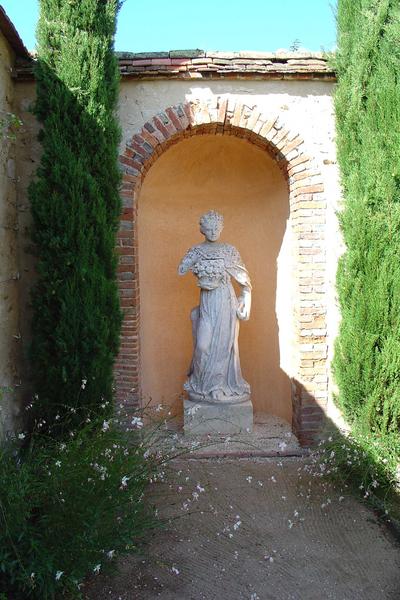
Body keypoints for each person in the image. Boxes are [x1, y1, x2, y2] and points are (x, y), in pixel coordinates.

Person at [178, 210, 251, 403]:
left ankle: (218, 386)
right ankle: (201, 385)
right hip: (208, 303)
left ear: (222, 228)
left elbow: (244, 279)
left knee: (222, 346)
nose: (213, 232)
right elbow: (181, 269)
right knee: (202, 346)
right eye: (209, 228)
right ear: (202, 229)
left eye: (217, 228)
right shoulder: (198, 250)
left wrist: (245, 298)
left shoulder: (229, 250)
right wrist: (193, 260)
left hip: (226, 301)